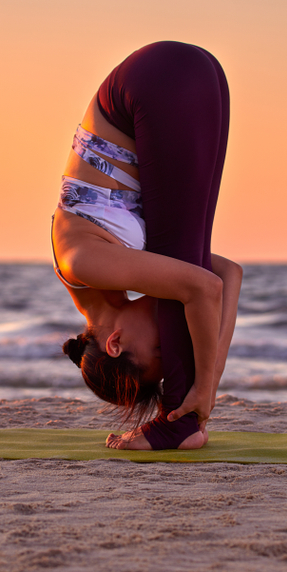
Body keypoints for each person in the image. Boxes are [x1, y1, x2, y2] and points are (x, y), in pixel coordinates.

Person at [52, 41, 242, 450]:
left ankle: (180, 423)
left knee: (184, 278)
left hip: (153, 84)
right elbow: (227, 275)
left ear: (115, 342)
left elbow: (202, 288)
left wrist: (204, 387)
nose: (167, 336)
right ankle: (183, 421)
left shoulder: (83, 262)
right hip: (196, 73)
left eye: (157, 346)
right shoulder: (114, 268)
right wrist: (211, 376)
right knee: (185, 267)